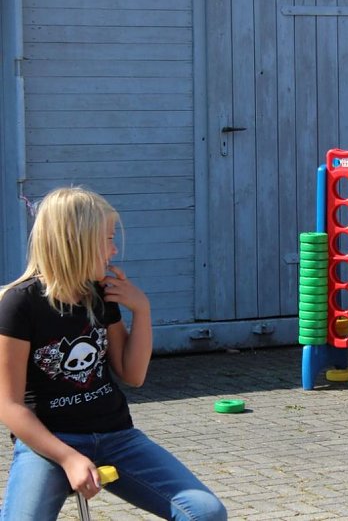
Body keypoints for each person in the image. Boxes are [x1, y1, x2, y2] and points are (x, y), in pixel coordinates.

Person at [0, 186, 227, 520]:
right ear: (75, 241)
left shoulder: (99, 296)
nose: (114, 249)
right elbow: (9, 406)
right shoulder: (20, 304)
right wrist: (68, 458)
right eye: (106, 239)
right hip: (49, 443)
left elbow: (133, 374)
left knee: (207, 513)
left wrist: (143, 311)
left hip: (116, 436)